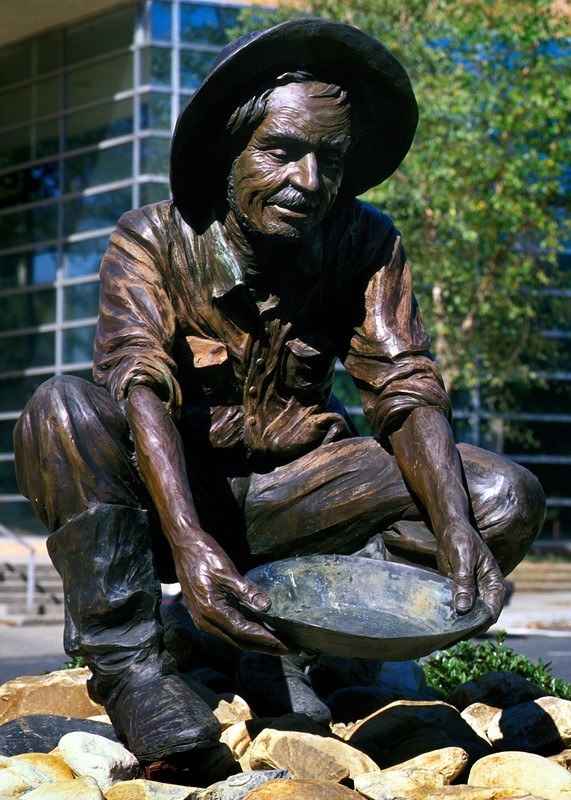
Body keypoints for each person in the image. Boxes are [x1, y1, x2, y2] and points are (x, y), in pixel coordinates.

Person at [14, 18, 545, 767]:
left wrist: (456, 523)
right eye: (280, 150)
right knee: (61, 410)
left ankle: (314, 648)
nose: (306, 180)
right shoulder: (153, 237)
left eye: (329, 159)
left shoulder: (366, 241)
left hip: (301, 495)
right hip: (181, 496)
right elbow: (139, 383)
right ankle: (133, 667)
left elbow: (403, 385)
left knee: (502, 496)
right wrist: (191, 539)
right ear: (228, 153)